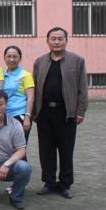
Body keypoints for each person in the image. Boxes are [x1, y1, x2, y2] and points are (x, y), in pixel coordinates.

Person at [33, 27, 88, 199]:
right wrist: (34, 111)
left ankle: (65, 184)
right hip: (44, 113)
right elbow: (34, 87)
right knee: (46, 150)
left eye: (60, 38)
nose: (56, 42)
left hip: (66, 113)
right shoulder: (40, 62)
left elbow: (83, 88)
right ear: (47, 41)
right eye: (53, 38)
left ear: (66, 40)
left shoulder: (77, 61)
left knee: (66, 150)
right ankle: (49, 182)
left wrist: (80, 110)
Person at [3, 45, 35, 143]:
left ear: (20, 58)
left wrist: (27, 117)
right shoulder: (1, 75)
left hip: (19, 115)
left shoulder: (26, 75)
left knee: (19, 147)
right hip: (4, 116)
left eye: (15, 56)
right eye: (9, 56)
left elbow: (31, 97)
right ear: (4, 58)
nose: (11, 59)